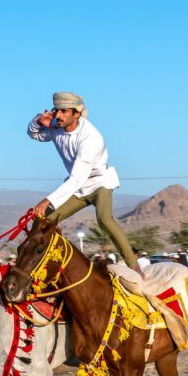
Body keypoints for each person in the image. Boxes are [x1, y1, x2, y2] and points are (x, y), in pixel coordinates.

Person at [27, 91, 140, 273]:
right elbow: (35, 135)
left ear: (77, 114)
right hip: (78, 187)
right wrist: (38, 120)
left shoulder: (91, 138)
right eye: (57, 111)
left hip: (98, 182)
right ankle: (48, 268)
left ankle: (134, 267)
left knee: (104, 219)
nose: (58, 115)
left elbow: (77, 178)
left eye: (64, 111)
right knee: (43, 221)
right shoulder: (57, 127)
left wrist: (47, 200)